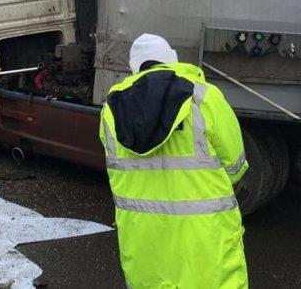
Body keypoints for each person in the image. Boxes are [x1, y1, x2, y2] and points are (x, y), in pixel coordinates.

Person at [99, 33, 249, 289]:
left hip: (144, 245)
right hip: (206, 244)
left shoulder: (111, 110)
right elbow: (235, 166)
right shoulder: (203, 97)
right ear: (171, 60)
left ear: (135, 68)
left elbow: (117, 172)